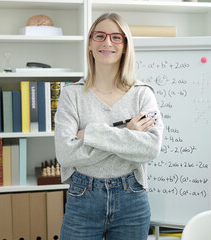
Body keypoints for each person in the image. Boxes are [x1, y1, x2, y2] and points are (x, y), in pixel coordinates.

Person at [54, 12, 164, 240]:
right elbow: (65, 154)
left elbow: (150, 148)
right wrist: (128, 135)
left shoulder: (143, 94)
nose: (107, 42)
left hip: (131, 199)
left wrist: (92, 133)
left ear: (125, 46)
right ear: (90, 45)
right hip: (83, 197)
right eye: (100, 36)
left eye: (116, 37)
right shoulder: (71, 94)